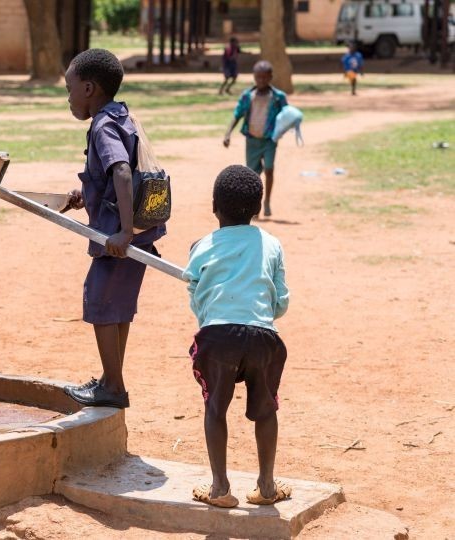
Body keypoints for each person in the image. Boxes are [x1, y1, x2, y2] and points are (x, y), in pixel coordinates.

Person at [61, 49, 166, 409]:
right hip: (139, 229)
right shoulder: (122, 115)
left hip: (120, 236)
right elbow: (112, 176)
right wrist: (85, 194)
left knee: (100, 301)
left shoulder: (103, 125)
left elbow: (121, 170)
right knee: (116, 306)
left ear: (88, 88)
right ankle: (111, 379)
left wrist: (122, 232)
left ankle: (114, 387)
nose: (69, 97)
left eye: (70, 88)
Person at [185, 165, 291, 509]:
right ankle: (267, 484)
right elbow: (281, 301)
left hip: (217, 338)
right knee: (266, 410)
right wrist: (260, 316)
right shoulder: (271, 244)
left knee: (215, 409)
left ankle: (220, 488)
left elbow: (197, 299)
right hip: (263, 337)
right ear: (258, 209)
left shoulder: (200, 247)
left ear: (214, 206)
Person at [223, 61, 288, 218]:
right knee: (253, 175)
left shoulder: (278, 97)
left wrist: (284, 129)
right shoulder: (247, 96)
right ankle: (255, 206)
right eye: (258, 77)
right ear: (254, 77)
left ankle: (267, 201)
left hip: (269, 141)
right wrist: (227, 133)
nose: (261, 81)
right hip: (252, 140)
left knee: (269, 169)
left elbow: (287, 115)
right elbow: (237, 115)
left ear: (270, 77)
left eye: (265, 78)